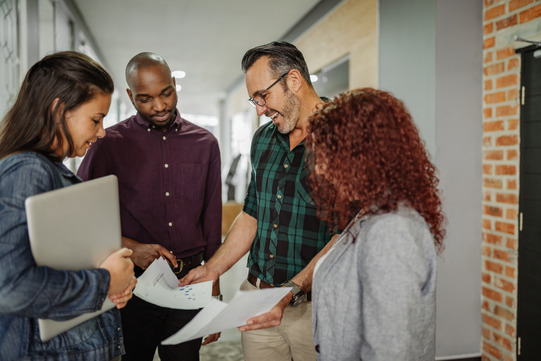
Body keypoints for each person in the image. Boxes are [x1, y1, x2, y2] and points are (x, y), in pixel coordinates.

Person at [180, 41, 338, 361]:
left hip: (315, 309)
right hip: (256, 300)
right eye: (254, 100)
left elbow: (348, 233)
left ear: (293, 80)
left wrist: (292, 289)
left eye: (262, 96)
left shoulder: (344, 137)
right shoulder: (263, 139)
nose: (260, 109)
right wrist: (212, 270)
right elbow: (252, 214)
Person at [77, 52, 222, 361]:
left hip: (190, 278)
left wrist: (214, 284)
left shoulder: (205, 143)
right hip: (132, 282)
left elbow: (212, 216)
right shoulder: (107, 143)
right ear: (130, 95)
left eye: (166, 93)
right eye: (145, 99)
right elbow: (80, 212)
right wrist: (130, 246)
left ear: (174, 85)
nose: (159, 106)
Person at [0, 51, 136, 361]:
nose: (101, 132)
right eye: (96, 119)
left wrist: (113, 283)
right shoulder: (27, 171)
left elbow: (63, 262)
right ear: (59, 109)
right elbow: (9, 286)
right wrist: (104, 282)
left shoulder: (52, 171)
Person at [306, 88, 446, 361]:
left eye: (326, 154)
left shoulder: (391, 230)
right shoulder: (373, 212)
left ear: (359, 155)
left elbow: (391, 351)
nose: (320, 168)